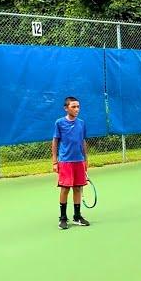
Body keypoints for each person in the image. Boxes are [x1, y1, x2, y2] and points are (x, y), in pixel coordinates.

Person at [52, 96, 91, 230]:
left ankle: (77, 216)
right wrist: (54, 162)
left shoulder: (81, 123)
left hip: (79, 160)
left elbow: (83, 142)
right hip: (65, 161)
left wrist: (86, 160)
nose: (76, 109)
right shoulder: (59, 123)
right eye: (73, 107)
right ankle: (63, 218)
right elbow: (55, 141)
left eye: (78, 106)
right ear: (66, 108)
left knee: (78, 188)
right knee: (65, 188)